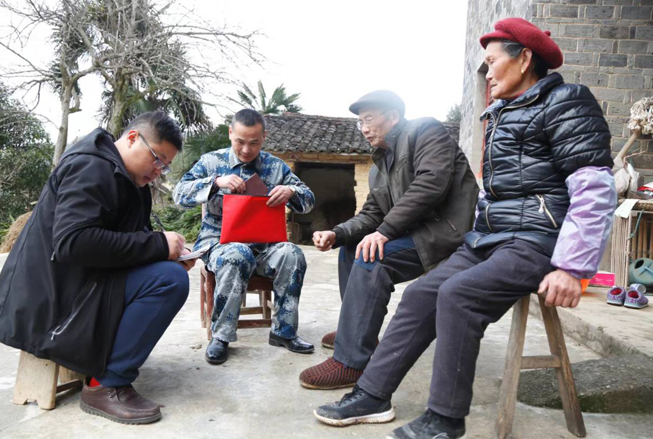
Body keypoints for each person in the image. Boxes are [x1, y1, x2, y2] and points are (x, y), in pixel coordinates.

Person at [313, 18, 617, 439]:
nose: (487, 73)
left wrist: (572, 266)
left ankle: (445, 419)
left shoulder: (566, 102)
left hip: (536, 240)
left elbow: (594, 187)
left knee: (458, 295)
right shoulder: (501, 113)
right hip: (488, 239)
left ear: (524, 58)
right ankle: (371, 394)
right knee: (420, 295)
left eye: (492, 62)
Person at [0, 111, 193, 424]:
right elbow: (73, 243)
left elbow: (123, 239)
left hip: (82, 282)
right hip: (53, 301)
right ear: (133, 138)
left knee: (167, 272)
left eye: (165, 166)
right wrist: (159, 245)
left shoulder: (126, 177)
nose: (158, 171)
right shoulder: (90, 167)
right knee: (170, 281)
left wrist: (166, 253)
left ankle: (109, 368)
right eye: (157, 159)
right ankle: (106, 385)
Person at [298, 90, 479, 390]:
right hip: (413, 234)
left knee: (372, 258)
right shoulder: (379, 169)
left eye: (369, 119)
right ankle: (354, 333)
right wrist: (337, 233)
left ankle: (350, 362)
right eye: (360, 122)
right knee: (352, 249)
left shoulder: (426, 132)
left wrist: (385, 231)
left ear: (393, 116)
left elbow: (430, 184)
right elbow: (371, 213)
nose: (364, 128)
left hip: (445, 233)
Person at [173, 108, 316, 365]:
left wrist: (291, 192)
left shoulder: (275, 166)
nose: (247, 150)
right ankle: (221, 336)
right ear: (230, 133)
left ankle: (284, 332)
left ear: (264, 138)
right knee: (238, 254)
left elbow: (309, 200)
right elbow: (179, 195)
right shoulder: (211, 162)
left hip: (264, 246)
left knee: (292, 253)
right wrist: (215, 182)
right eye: (240, 142)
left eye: (254, 143)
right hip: (221, 243)